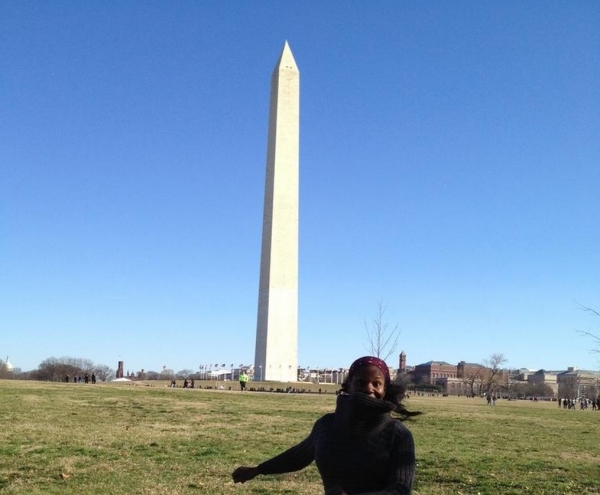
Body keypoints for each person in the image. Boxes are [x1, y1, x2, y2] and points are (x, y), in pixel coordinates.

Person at [232, 356, 420, 494]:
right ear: (348, 386)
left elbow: (400, 489)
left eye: (376, 383)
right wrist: (258, 470)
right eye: (361, 382)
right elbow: (298, 456)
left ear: (384, 390)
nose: (368, 388)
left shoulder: (398, 434)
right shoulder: (326, 425)